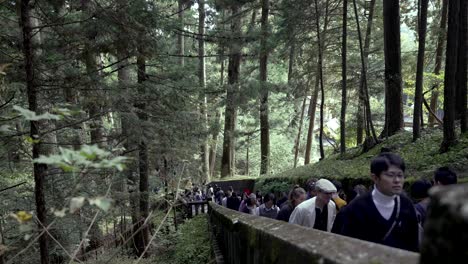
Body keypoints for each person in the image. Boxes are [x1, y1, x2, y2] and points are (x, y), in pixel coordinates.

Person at [335, 152, 419, 252]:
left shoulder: (406, 205)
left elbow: (413, 245)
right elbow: (347, 245)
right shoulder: (357, 207)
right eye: (390, 175)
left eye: (400, 175)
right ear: (375, 178)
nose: (397, 180)